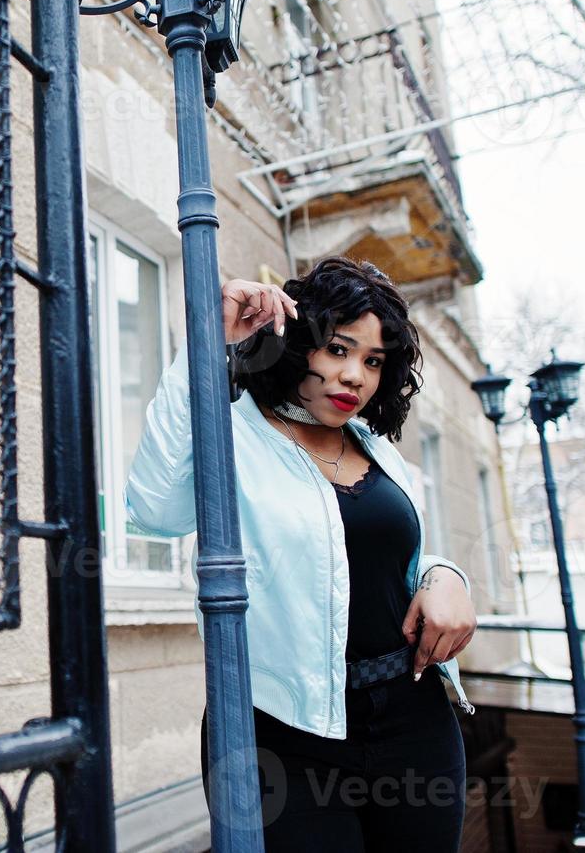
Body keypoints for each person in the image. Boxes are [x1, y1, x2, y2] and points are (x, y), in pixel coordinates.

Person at [124, 256, 477, 852]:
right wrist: (207, 343)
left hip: (413, 723)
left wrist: (447, 575)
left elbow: (396, 562)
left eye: (372, 361)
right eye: (338, 349)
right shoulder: (231, 435)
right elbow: (155, 511)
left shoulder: (378, 450)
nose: (355, 377)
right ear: (297, 344)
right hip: (280, 736)